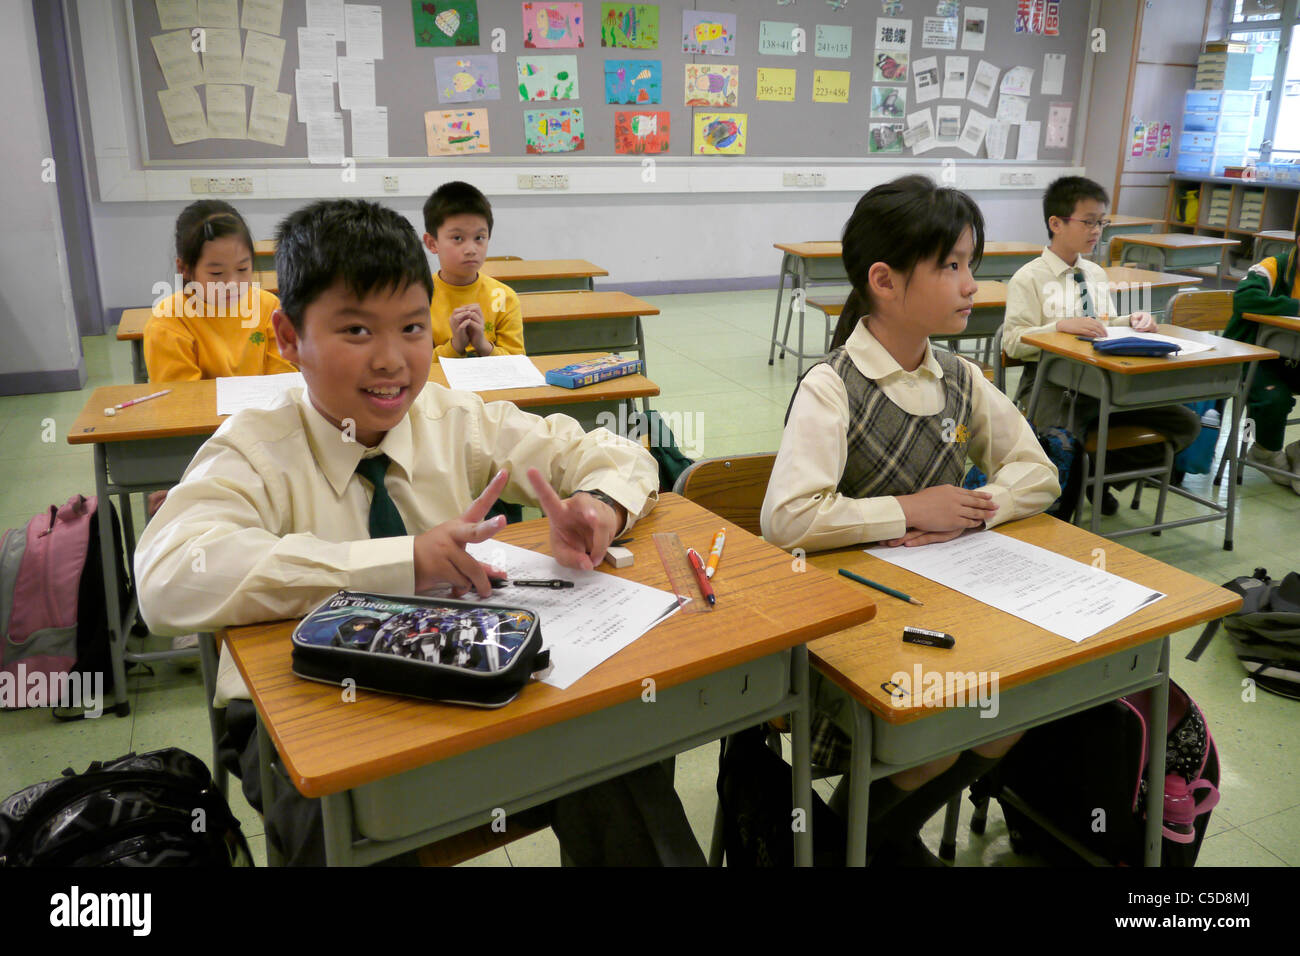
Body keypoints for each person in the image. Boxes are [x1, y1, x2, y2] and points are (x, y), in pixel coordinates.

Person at [135, 198, 703, 866]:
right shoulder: (255, 448)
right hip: (313, 713)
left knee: (621, 746)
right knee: (339, 812)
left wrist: (601, 505)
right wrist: (400, 563)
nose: (392, 361)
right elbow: (168, 578)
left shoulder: (450, 418)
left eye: (410, 327)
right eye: (355, 331)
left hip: (469, 676)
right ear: (288, 338)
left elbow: (615, 450)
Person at [761, 175, 1061, 865]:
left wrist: (977, 512)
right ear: (885, 282)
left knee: (1005, 715)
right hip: (855, 626)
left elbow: (1038, 472)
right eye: (951, 266)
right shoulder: (832, 385)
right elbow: (786, 519)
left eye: (972, 266)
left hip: (946, 604)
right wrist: (908, 510)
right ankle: (849, 841)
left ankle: (878, 836)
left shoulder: (960, 377)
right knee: (937, 737)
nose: (969, 285)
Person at [1002, 176, 1199, 515]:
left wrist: (1132, 321)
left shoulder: (1094, 273)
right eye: (1088, 222)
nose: (1097, 231)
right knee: (1068, 446)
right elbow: (1012, 342)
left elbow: (1102, 324)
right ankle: (1065, 510)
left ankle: (1099, 479)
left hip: (1104, 381)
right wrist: (1057, 327)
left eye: (1101, 222)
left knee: (1185, 424)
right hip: (1052, 385)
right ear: (1056, 224)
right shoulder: (1029, 277)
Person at [144, 199, 296, 382]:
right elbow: (181, 399)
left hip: (263, 410)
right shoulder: (168, 323)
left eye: (242, 269)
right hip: (203, 411)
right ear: (184, 269)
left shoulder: (269, 307)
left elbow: (283, 380)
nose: (232, 283)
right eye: (216, 273)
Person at [1225, 232, 1300, 492]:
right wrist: (1296, 307)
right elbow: (1244, 300)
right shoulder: (1272, 268)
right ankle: (1264, 452)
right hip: (1253, 356)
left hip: (1294, 360)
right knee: (1273, 398)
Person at [422, 181, 524, 361]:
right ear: (432, 243)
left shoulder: (503, 297)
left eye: (479, 238)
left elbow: (518, 362)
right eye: (458, 238)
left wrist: (483, 345)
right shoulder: (420, 297)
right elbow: (415, 363)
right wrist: (455, 346)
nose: (471, 249)